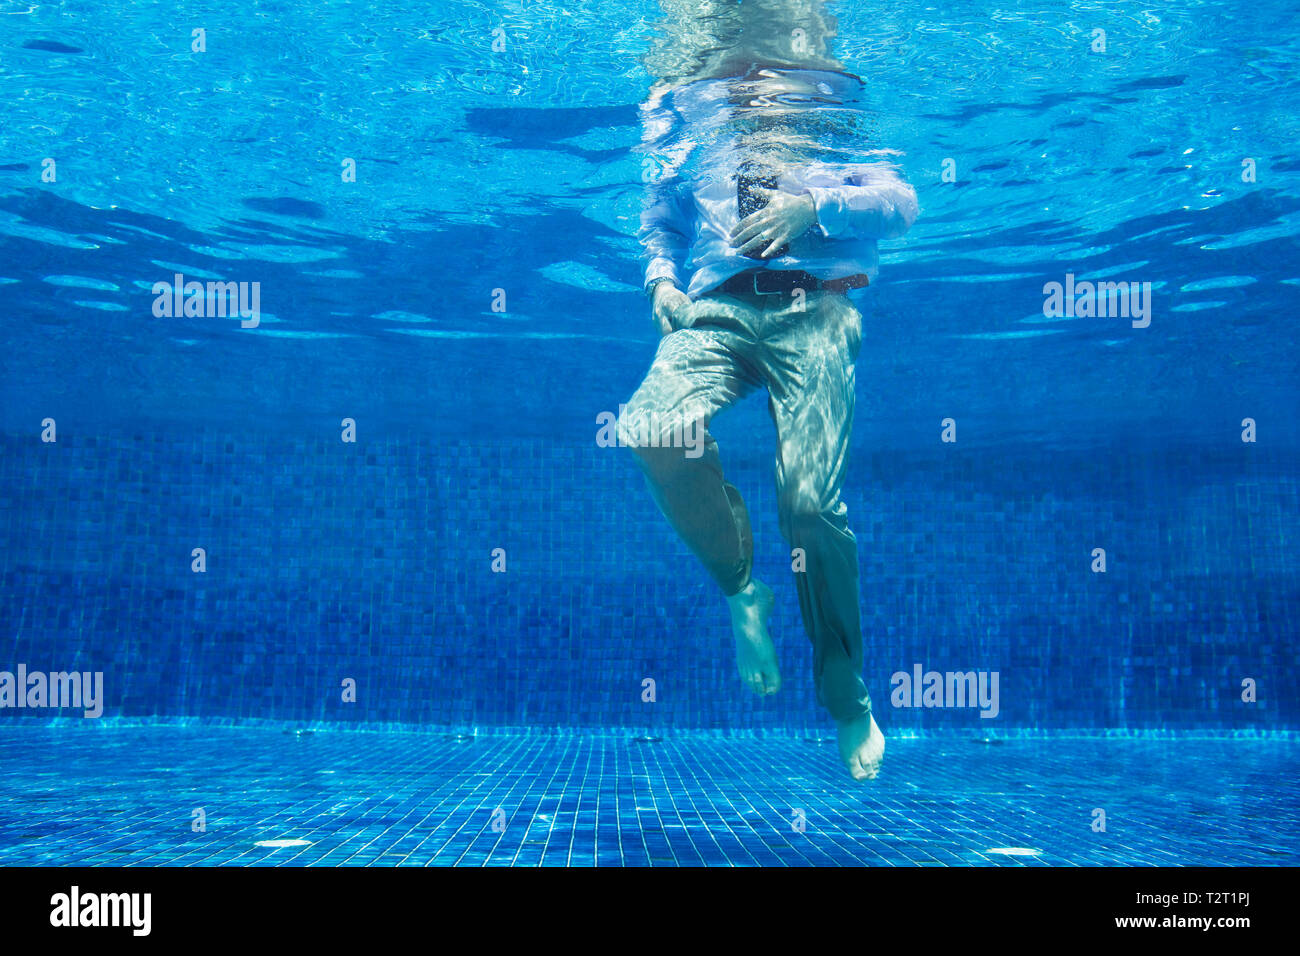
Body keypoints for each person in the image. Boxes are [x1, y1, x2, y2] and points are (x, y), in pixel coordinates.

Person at [617, 0, 918, 781]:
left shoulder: (832, 98)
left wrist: (814, 205)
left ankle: (847, 694)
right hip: (714, 309)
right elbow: (664, 208)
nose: (751, 78)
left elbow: (900, 203)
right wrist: (660, 279)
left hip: (816, 306)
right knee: (651, 428)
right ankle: (742, 591)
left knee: (810, 506)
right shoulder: (681, 103)